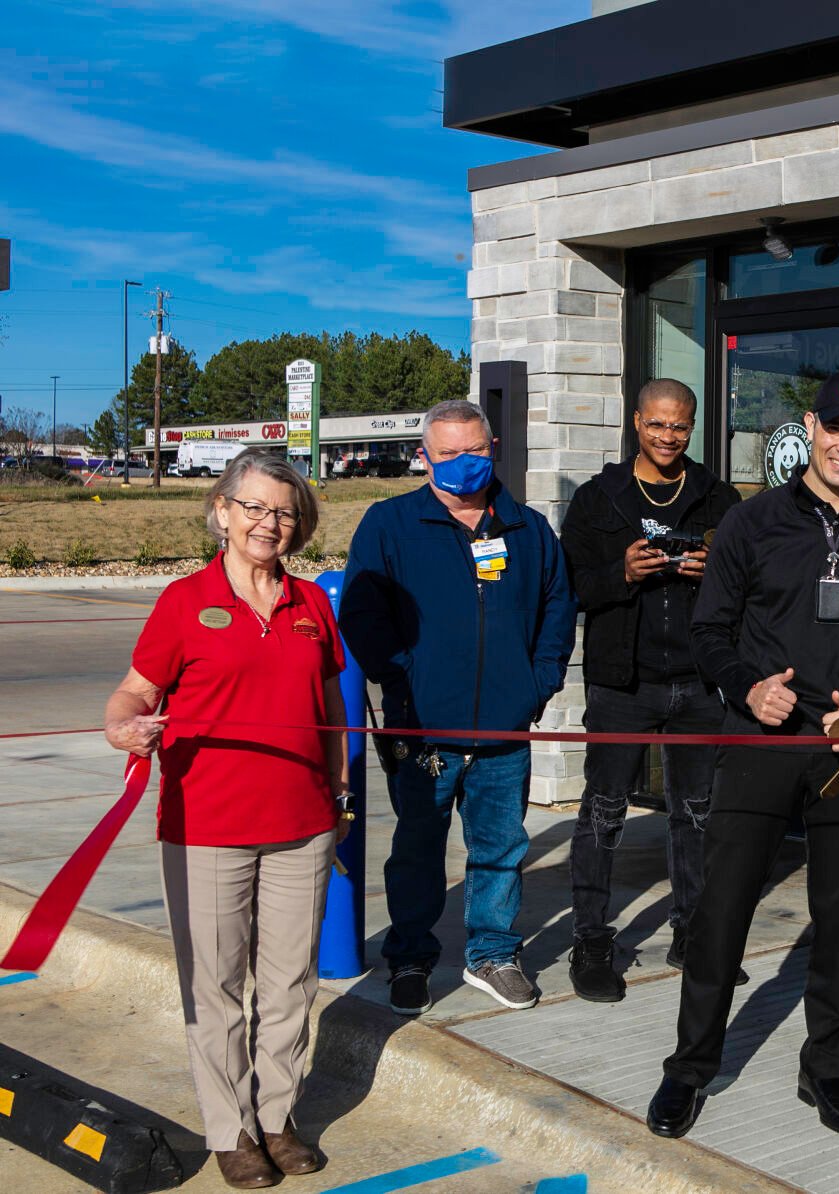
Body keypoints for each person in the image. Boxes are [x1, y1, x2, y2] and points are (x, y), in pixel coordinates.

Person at [647, 370, 839, 1141]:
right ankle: (690, 1069)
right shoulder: (751, 522)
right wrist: (747, 690)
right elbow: (710, 633)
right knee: (721, 911)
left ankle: (826, 1069)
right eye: (835, 428)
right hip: (762, 740)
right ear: (811, 427)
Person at [104, 449, 348, 1188]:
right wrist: (125, 728)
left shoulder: (310, 605)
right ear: (221, 510)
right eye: (254, 507)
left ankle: (277, 1116)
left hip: (302, 820)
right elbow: (131, 695)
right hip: (206, 824)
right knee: (214, 986)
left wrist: (338, 796)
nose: (268, 523)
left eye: (283, 511)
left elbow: (331, 710)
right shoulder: (183, 601)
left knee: (289, 985)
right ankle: (231, 1128)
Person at [341, 399, 577, 1016]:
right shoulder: (389, 524)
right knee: (418, 849)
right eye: (447, 453)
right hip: (422, 729)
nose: (461, 462)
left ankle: (493, 954)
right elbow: (362, 618)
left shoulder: (526, 528)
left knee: (500, 847)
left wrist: (539, 682)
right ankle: (412, 957)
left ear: (491, 446)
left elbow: (557, 607)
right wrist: (402, 682)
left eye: (472, 450)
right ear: (424, 456)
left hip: (504, 727)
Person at [559, 379, 742, 1002]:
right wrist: (622, 572)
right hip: (622, 684)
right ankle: (591, 941)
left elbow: (751, 582)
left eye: (680, 427)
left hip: (697, 681)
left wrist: (713, 568)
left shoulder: (717, 498)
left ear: (693, 426)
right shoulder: (598, 499)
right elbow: (571, 586)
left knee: (696, 816)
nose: (668, 437)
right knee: (603, 812)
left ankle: (692, 933)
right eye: (658, 424)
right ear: (636, 422)